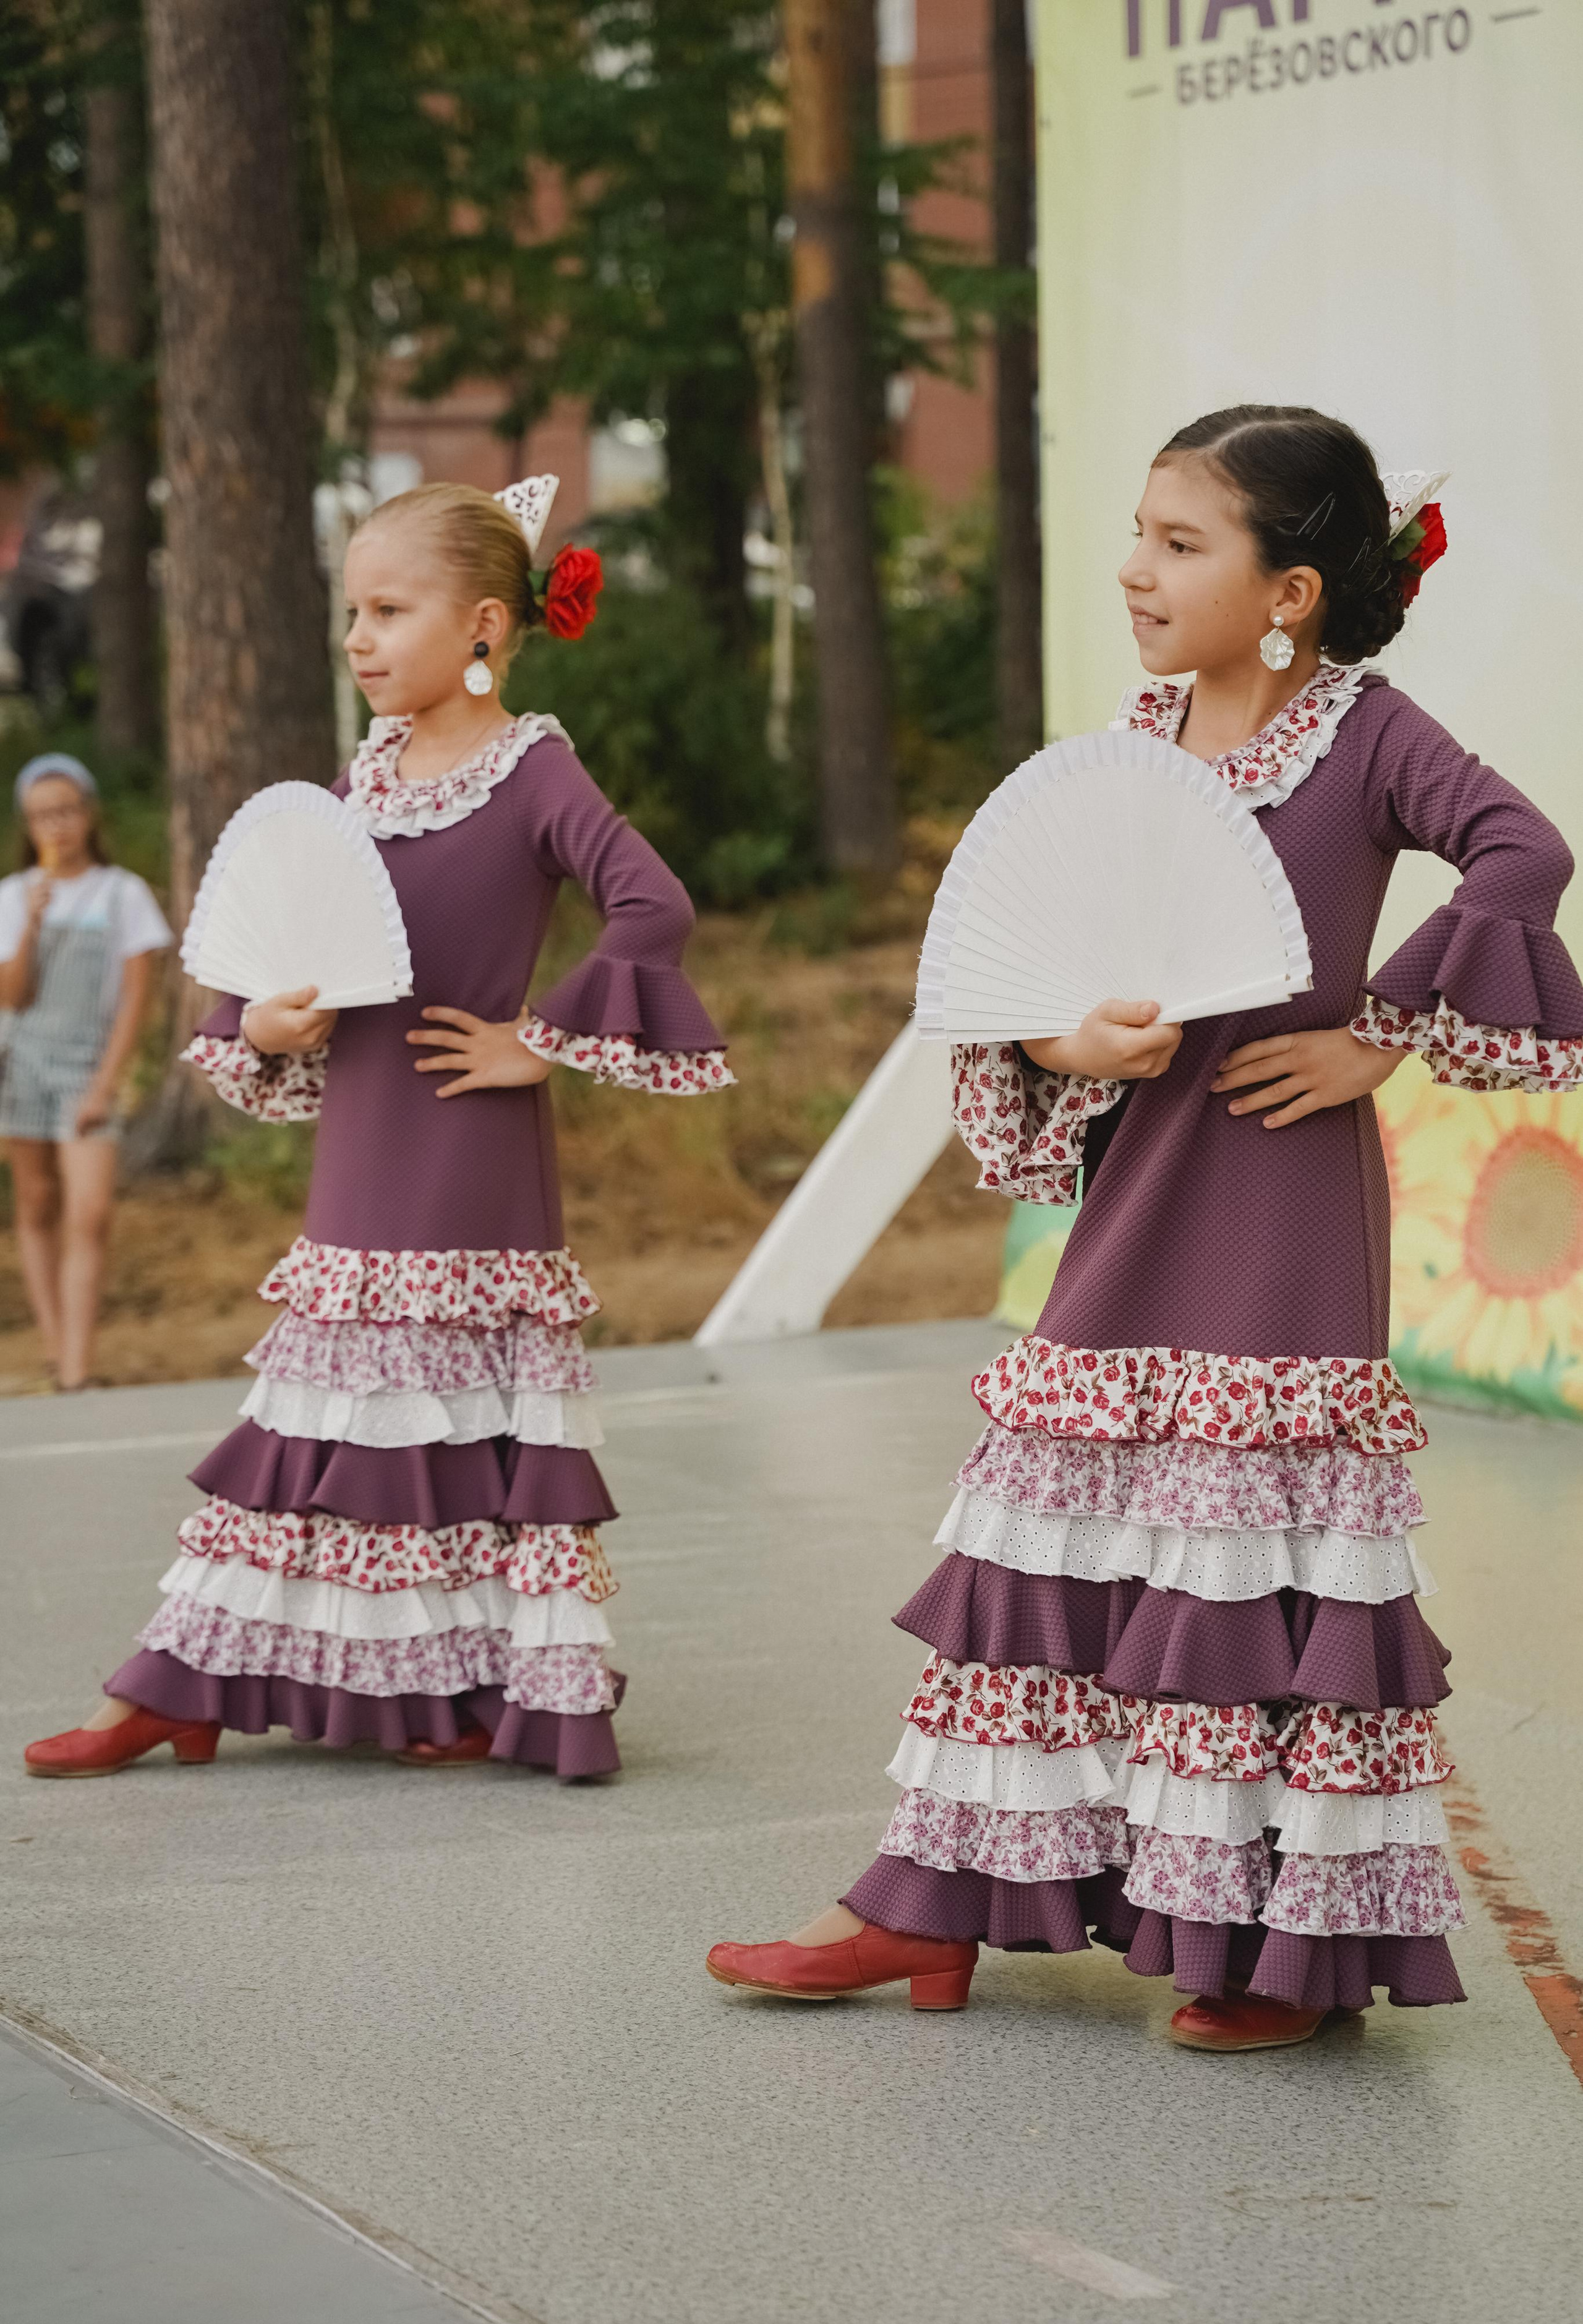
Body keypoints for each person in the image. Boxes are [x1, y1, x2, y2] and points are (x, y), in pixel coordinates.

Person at [709, 405, 1583, 2048]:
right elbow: (1032, 980)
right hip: (1141, 1184)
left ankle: (1269, 1949)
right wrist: (1063, 1046)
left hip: (1288, 1197)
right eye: (1138, 533)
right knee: (1046, 1542)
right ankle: (927, 1899)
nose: (1135, 569)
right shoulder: (1128, 743)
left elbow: (1525, 850)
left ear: (1293, 591)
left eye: (1181, 544)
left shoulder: (1371, 735)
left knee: (1245, 1573)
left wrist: (1378, 1033)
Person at [24, 476, 731, 1779]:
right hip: (361, 1138)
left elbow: (652, 907)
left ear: (476, 626)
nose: (356, 636)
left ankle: (420, 1690)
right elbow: (294, 931)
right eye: (350, 609)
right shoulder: (365, 777)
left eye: (386, 610)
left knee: (445, 1424)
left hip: (469, 1149)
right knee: (324, 1418)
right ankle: (195, 1682)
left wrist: (540, 1041)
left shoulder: (535, 771)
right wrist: (266, 1025)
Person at [0, 753, 171, 1390]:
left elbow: (135, 997)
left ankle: (77, 1367)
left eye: (67, 810)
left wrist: (106, 1082)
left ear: (88, 813)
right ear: (29, 822)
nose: (57, 825)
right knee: (37, 1199)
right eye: (43, 815)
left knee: (90, 1209)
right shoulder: (13, 896)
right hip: (22, 1059)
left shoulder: (121, 892)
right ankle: (52, 1343)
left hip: (86, 1062)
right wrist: (33, 923)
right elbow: (11, 996)